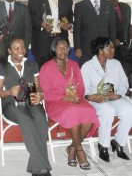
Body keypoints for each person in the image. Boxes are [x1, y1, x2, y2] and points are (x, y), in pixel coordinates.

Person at [0, 36, 52, 176]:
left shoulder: (32, 65)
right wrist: (9, 91)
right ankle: (41, 169)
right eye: (17, 48)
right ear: (9, 50)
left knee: (41, 120)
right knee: (26, 120)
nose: (21, 51)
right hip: (11, 104)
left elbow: (38, 87)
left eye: (23, 48)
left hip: (31, 101)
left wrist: (40, 95)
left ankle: (35, 164)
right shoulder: (2, 67)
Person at [40, 37, 99, 170]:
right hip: (55, 102)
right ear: (54, 49)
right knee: (74, 112)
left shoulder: (74, 64)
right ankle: (79, 150)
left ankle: (72, 147)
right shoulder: (46, 67)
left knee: (89, 112)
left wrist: (74, 95)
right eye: (60, 47)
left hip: (75, 99)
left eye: (66, 47)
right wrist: (65, 98)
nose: (64, 50)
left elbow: (82, 87)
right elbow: (46, 93)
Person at [81, 36, 132, 162]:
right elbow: (83, 91)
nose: (113, 50)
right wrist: (92, 96)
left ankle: (119, 142)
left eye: (113, 48)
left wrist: (118, 95)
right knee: (107, 111)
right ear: (100, 50)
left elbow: (124, 84)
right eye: (110, 48)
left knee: (129, 109)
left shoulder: (116, 64)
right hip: (94, 100)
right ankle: (103, 145)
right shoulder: (87, 67)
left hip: (112, 97)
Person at [28, 0, 73, 68]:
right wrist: (41, 24)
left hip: (61, 40)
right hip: (42, 42)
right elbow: (31, 18)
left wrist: (69, 25)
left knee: (61, 71)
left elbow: (70, 17)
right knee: (42, 72)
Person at [73, 0, 116, 66]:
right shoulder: (80, 6)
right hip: (87, 47)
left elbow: (112, 28)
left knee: (105, 72)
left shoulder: (109, 4)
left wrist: (113, 47)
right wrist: (77, 47)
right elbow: (77, 29)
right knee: (88, 73)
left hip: (105, 47)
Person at [106, 0, 132, 87]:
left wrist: (127, 41)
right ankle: (112, 92)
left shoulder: (126, 7)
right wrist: (112, 40)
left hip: (125, 46)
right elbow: (103, 27)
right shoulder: (105, 7)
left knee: (126, 71)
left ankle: (126, 91)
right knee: (113, 73)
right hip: (111, 47)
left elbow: (127, 26)